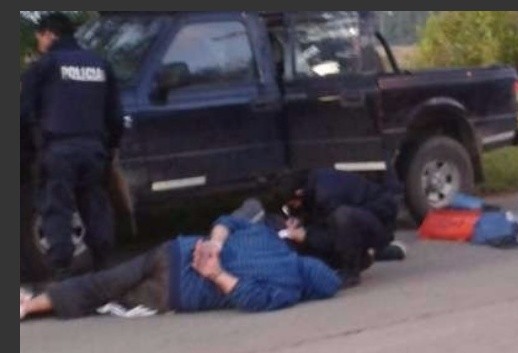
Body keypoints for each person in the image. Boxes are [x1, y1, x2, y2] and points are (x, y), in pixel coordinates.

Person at [19, 206, 342, 322]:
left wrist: (214, 244)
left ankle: (32, 302)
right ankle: (32, 305)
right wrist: (216, 273)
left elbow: (228, 220)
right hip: (177, 291)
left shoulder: (271, 239)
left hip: (176, 251)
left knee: (104, 282)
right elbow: (249, 297)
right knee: (106, 297)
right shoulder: (288, 290)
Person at [20, 13, 124, 279]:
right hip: (94, 149)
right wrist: (110, 148)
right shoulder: (100, 64)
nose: (39, 44)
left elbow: (23, 113)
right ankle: (103, 266)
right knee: (95, 203)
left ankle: (62, 270)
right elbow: (115, 116)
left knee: (57, 208)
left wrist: (28, 155)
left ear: (49, 35)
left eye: (39, 37)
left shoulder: (44, 66)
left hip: (57, 150)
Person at [274, 169, 406, 288]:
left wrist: (306, 235)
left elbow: (331, 235)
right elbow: (316, 217)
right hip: (365, 217)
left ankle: (351, 271)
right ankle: (372, 254)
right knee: (323, 237)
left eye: (293, 204)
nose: (293, 208)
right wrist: (300, 220)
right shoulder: (312, 186)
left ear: (299, 193)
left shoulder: (326, 195)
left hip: (380, 221)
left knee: (341, 219)